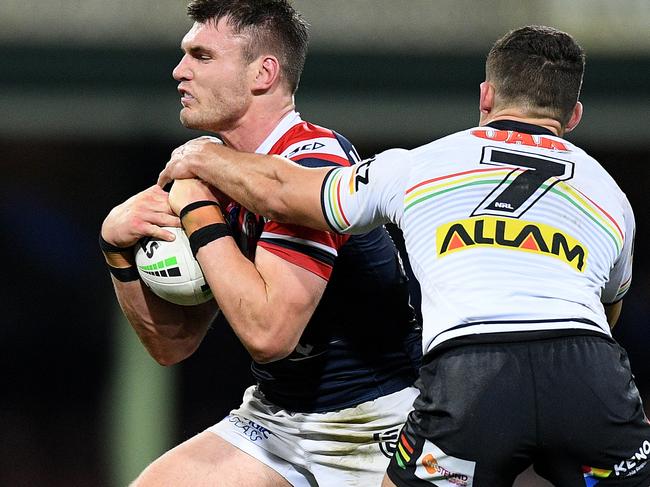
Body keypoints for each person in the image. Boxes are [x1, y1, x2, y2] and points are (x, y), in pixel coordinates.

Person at [158, 25, 650, 486]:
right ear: (575, 115)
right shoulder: (611, 195)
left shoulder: (421, 164)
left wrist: (200, 157)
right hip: (587, 374)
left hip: (474, 376)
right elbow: (608, 310)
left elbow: (286, 192)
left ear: (486, 96)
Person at [100, 1, 422, 486]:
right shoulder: (215, 170)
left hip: (379, 424)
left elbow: (270, 335)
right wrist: (116, 250)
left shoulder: (312, 167)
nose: (179, 70)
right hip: (278, 418)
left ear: (264, 72)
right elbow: (172, 345)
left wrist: (194, 203)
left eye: (202, 56)